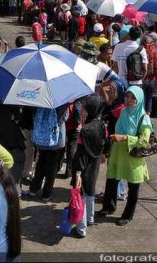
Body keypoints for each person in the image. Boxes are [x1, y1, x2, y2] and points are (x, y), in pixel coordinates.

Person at [97, 86, 152, 226]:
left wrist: (125, 138)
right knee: (111, 180)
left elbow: (144, 141)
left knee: (133, 187)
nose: (129, 100)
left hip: (133, 157)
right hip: (118, 154)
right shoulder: (123, 112)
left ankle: (128, 215)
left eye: (133, 97)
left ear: (139, 100)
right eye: (127, 96)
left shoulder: (144, 118)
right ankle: (108, 207)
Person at [71, 95, 107, 238]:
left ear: (91, 109)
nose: (82, 110)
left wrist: (78, 173)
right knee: (91, 189)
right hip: (95, 162)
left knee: (81, 197)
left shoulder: (85, 130)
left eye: (85, 108)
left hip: (83, 165)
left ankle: (81, 229)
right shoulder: (101, 125)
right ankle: (90, 219)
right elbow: (105, 142)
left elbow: (80, 153)